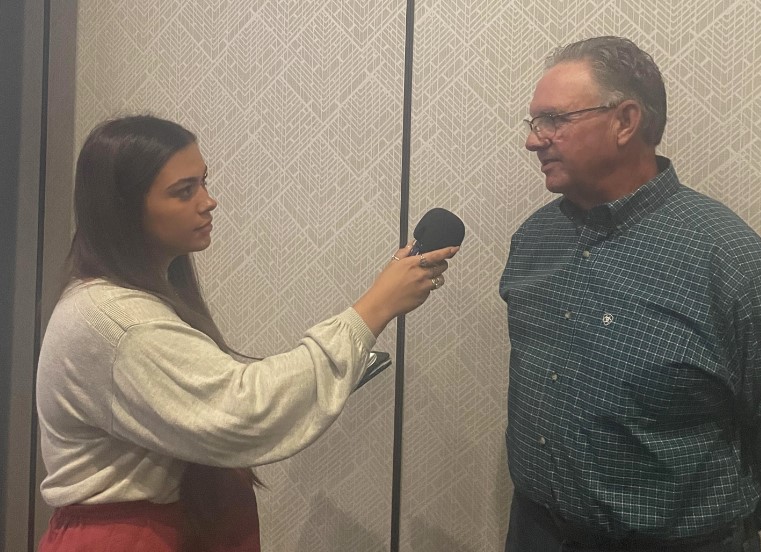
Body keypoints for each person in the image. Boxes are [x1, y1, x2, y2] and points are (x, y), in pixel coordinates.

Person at [36, 114, 458, 552]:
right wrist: (375, 307)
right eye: (185, 191)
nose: (209, 201)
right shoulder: (114, 321)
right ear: (124, 209)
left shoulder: (129, 301)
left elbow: (220, 391)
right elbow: (241, 410)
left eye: (204, 181)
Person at [500, 36, 761, 551]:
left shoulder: (735, 264)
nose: (534, 140)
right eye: (533, 124)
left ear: (625, 120)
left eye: (553, 121)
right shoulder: (533, 239)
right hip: (535, 531)